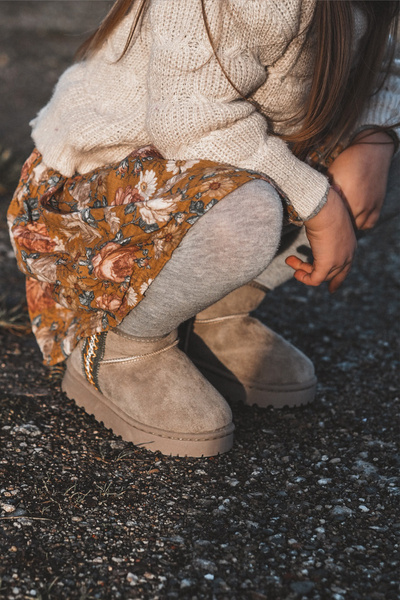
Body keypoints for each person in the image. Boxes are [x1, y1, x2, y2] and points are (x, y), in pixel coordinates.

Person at [8, 0, 399, 457]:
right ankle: (122, 343)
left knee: (380, 163)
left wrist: (375, 138)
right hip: (95, 198)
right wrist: (319, 201)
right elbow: (191, 120)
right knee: (247, 215)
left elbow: (380, 60)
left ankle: (214, 313)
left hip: (209, 175)